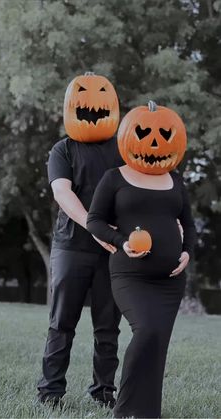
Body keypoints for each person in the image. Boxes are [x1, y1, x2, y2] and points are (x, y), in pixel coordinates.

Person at [87, 102, 196, 418]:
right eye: (146, 134)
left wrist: (187, 251)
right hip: (130, 275)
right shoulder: (114, 177)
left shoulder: (175, 179)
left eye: (164, 134)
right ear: (128, 136)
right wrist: (121, 242)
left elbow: (188, 223)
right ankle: (124, 410)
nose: (155, 142)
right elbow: (94, 220)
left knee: (157, 343)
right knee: (146, 330)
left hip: (171, 280)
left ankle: (148, 412)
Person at [37, 72, 123, 408]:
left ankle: (104, 394)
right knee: (62, 324)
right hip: (71, 247)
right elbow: (62, 193)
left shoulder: (123, 149)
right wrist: (97, 228)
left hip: (113, 250)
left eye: (101, 92)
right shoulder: (63, 149)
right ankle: (50, 394)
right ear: (71, 104)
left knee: (107, 328)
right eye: (85, 94)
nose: (93, 100)